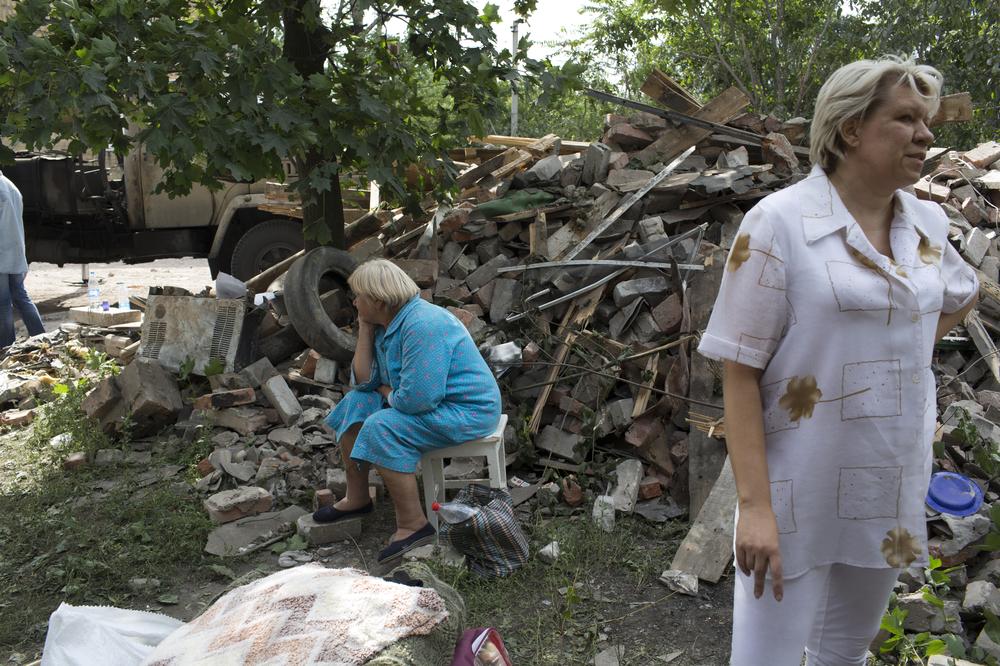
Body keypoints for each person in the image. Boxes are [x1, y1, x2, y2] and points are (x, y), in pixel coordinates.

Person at [697, 56, 979, 665]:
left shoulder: (927, 223)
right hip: (797, 488)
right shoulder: (777, 224)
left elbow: (963, 293)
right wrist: (755, 509)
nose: (925, 134)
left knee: (843, 655)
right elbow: (739, 370)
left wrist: (902, 348)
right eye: (906, 119)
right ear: (852, 129)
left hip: (890, 481)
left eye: (926, 120)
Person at [315, 258, 502, 565]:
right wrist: (365, 328)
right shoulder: (387, 324)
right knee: (355, 404)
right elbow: (363, 382)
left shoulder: (422, 325)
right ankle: (358, 497)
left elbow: (418, 401)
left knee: (381, 426)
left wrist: (387, 392)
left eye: (359, 296)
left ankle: (413, 524)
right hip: (434, 404)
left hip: (467, 411)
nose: (355, 301)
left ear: (378, 300)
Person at [0, 169, 45, 350]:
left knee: (3, 303)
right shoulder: (11, 186)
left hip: (2, 253)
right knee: (21, 297)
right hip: (16, 253)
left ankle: (6, 348)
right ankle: (42, 339)